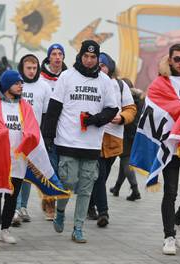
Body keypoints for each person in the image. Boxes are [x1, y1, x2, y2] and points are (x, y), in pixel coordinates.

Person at [130, 43, 180, 255]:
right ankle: (168, 236)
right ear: (169, 60)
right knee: (171, 192)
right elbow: (155, 108)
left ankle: (178, 222)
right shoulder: (159, 83)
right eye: (177, 59)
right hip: (169, 145)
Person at [43, 40, 118, 243]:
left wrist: (95, 120)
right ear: (80, 56)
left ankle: (78, 227)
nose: (89, 60)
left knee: (86, 188)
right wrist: (48, 137)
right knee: (67, 181)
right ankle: (60, 211)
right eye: (86, 56)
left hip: (92, 144)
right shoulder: (67, 77)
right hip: (67, 140)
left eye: (93, 57)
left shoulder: (105, 81)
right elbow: (53, 110)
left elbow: (112, 109)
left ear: (97, 58)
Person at [88, 52, 136, 227]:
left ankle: (89, 205)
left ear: (110, 68)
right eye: (97, 64)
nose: (100, 68)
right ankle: (103, 212)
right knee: (99, 176)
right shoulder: (89, 83)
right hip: (94, 137)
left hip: (114, 138)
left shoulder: (120, 85)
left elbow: (130, 108)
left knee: (103, 176)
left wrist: (122, 117)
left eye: (103, 65)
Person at [0, 70, 29, 249]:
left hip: (17, 159)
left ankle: (5, 229)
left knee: (12, 196)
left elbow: (32, 128)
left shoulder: (25, 106)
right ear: (7, 85)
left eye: (21, 83)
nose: (20, 86)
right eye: (17, 83)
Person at [12, 54, 51, 225]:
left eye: (34, 68)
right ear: (22, 67)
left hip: (33, 138)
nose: (31, 71)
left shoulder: (44, 86)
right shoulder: (15, 83)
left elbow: (47, 113)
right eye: (28, 68)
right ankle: (13, 206)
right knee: (14, 171)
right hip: (13, 136)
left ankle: (23, 206)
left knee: (26, 174)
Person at [40, 43, 68, 221]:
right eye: (54, 54)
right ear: (49, 57)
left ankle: (53, 199)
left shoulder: (68, 76)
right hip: (45, 129)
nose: (57, 57)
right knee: (48, 167)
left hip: (64, 129)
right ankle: (49, 201)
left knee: (62, 169)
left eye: (60, 54)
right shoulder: (40, 78)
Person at [110, 84, 144, 201]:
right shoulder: (140, 99)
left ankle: (135, 190)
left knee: (125, 161)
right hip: (136, 134)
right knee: (124, 162)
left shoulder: (127, 100)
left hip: (126, 133)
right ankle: (117, 187)